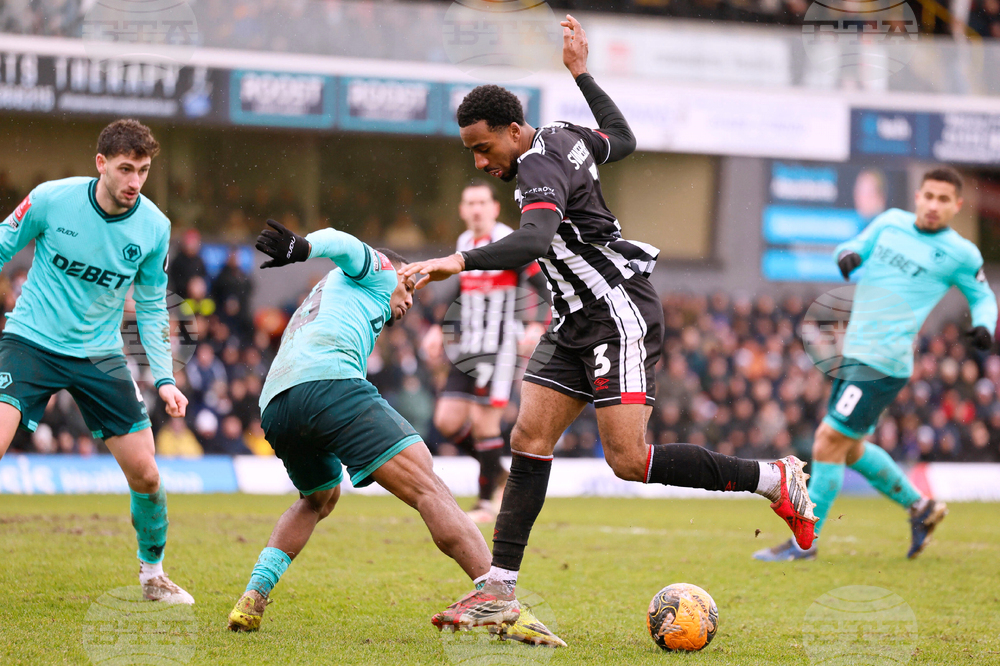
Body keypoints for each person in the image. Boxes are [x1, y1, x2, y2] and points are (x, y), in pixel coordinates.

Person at [401, 15, 816, 638]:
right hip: (573, 318)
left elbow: (535, 238)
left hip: (615, 310)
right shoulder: (564, 136)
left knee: (627, 459)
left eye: (484, 148)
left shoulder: (537, 171)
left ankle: (772, 478)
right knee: (528, 437)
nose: (481, 162)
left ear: (514, 131)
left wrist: (454, 260)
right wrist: (580, 73)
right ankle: (498, 590)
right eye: (471, 152)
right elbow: (621, 138)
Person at [226, 220, 564, 646]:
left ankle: (253, 596)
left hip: (276, 403)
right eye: (410, 292)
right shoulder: (382, 270)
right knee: (429, 487)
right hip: (329, 384)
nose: (408, 303)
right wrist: (303, 246)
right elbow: (344, 242)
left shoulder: (332, 294)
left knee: (317, 498)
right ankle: (497, 598)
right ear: (401, 276)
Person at [755, 167, 998, 562]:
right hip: (855, 353)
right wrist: (847, 255)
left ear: (957, 206)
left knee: (827, 442)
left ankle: (807, 540)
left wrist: (985, 325)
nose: (934, 206)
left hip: (883, 362)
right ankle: (920, 508)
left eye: (943, 200)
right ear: (918, 196)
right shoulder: (890, 223)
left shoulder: (960, 253)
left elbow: (983, 296)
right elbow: (854, 245)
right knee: (849, 450)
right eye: (929, 196)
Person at [0, 119, 192, 603]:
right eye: (125, 169)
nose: (134, 182)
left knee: (147, 474)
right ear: (101, 164)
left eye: (143, 171)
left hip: (99, 354)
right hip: (31, 340)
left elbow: (151, 306)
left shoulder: (154, 227)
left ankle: (153, 574)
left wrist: (165, 378)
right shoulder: (50, 199)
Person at [431, 180, 549, 522]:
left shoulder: (509, 239)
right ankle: (497, 470)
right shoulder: (464, 243)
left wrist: (535, 323)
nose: (477, 209)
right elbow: (461, 289)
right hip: (466, 346)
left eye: (483, 202)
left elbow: (540, 281)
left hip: (499, 347)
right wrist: (440, 331)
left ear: (495, 208)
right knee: (447, 421)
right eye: (470, 203)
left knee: (485, 425)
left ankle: (487, 501)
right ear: (462, 210)